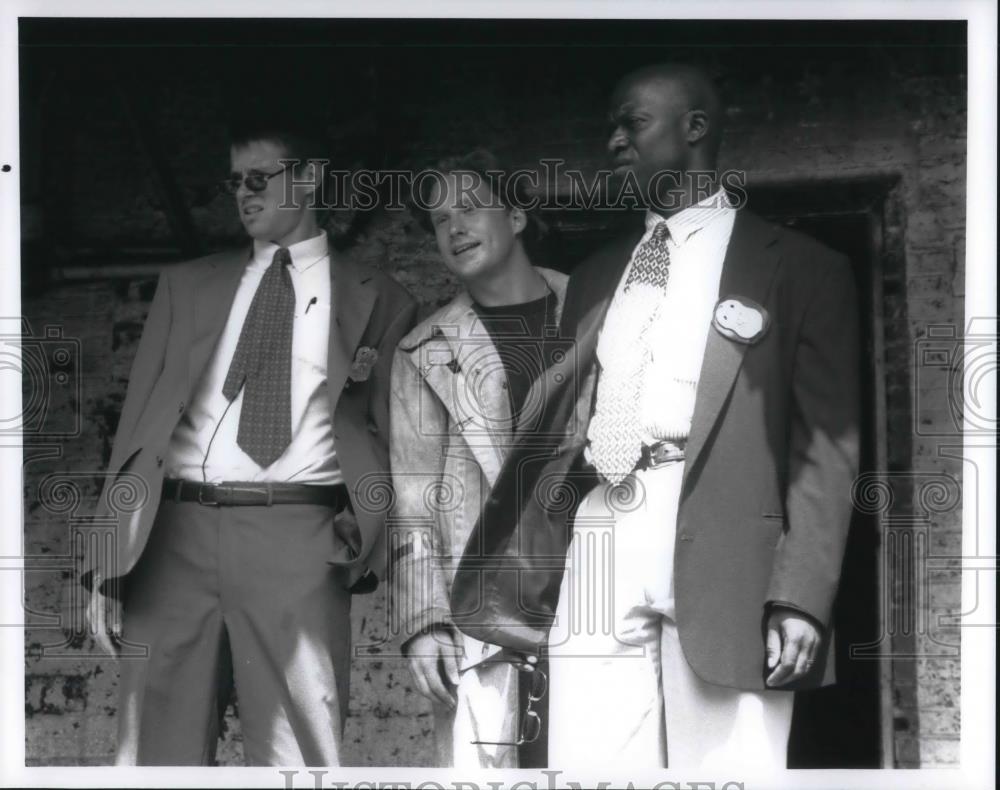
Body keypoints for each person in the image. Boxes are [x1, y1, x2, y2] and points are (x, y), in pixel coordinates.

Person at [450, 63, 861, 769]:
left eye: (631, 122)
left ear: (694, 127)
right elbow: (563, 428)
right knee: (588, 763)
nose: (614, 140)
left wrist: (799, 595)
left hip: (728, 533)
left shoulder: (800, 267)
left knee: (730, 767)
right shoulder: (596, 275)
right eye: (611, 126)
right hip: (603, 524)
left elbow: (827, 445)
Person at [80, 116, 417, 765]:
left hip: (299, 533)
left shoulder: (383, 298)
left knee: (301, 757)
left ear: (311, 175)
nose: (244, 195)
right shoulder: (187, 285)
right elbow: (137, 428)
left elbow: (390, 431)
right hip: (173, 533)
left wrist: (359, 538)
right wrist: (105, 556)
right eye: (235, 182)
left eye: (259, 178)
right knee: (153, 753)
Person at [388, 150, 567, 768]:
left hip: (599, 585)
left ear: (517, 215)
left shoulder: (598, 308)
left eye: (469, 207)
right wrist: (423, 618)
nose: (455, 227)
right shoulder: (424, 349)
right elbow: (411, 498)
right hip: (483, 606)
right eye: (440, 220)